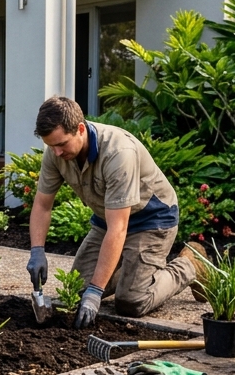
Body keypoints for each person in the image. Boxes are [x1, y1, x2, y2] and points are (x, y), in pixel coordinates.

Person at [26, 96, 206, 328]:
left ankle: (189, 266)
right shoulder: (56, 152)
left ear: (80, 129)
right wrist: (37, 250)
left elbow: (119, 228)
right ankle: (133, 272)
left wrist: (97, 289)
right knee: (75, 293)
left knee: (132, 301)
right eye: (51, 146)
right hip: (107, 220)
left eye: (62, 144)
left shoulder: (118, 153)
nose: (57, 152)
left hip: (151, 220)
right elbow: (42, 205)